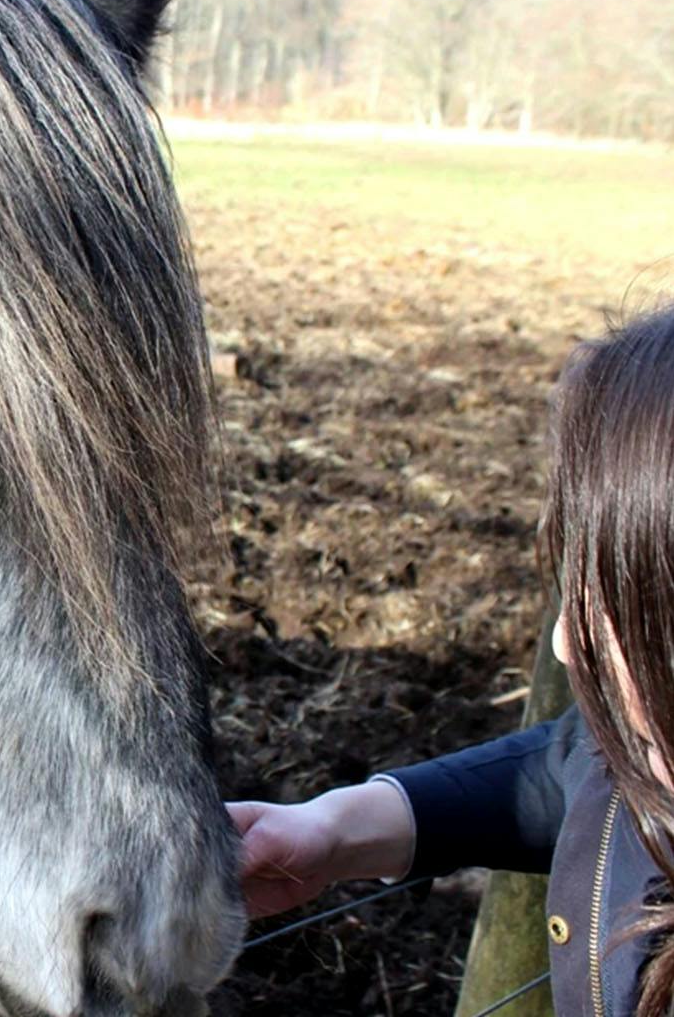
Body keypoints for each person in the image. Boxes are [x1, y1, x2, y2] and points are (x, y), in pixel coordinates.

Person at [229, 307, 674, 1017]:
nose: (565, 642)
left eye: (619, 598)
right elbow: (582, 773)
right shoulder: (651, 759)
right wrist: (336, 829)